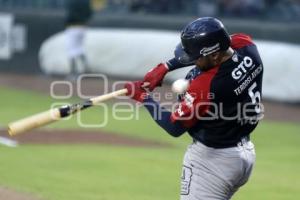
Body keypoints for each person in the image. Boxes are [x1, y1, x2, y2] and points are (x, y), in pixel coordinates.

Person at [124, 17, 263, 199]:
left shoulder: (207, 86)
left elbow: (174, 127)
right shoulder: (247, 47)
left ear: (214, 55)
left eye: (196, 58)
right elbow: (226, 42)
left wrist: (143, 97)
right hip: (243, 157)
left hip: (213, 161)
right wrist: (166, 67)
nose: (193, 61)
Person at [65, 0, 93, 79]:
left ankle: (73, 73)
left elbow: (70, 13)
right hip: (83, 26)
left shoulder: (72, 2)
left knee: (71, 49)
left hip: (72, 26)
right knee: (79, 48)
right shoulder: (86, 1)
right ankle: (87, 69)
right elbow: (90, 13)